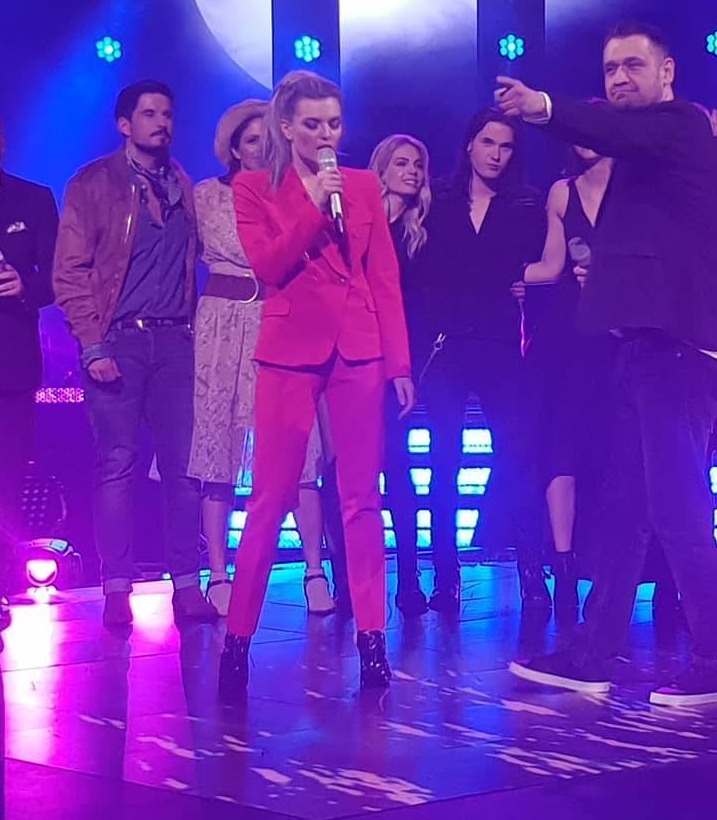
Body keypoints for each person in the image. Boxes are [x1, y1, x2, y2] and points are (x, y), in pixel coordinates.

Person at [499, 21, 717, 706]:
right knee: (626, 510)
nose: (619, 79)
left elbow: (613, 129)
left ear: (668, 72)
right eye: (610, 69)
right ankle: (592, 654)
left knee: (677, 507)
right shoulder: (640, 158)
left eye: (633, 65)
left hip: (682, 346)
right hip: (644, 345)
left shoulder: (682, 126)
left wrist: (543, 107)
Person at [218, 71, 414, 696]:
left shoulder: (362, 186)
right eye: (312, 124)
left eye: (333, 123)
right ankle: (237, 640)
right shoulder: (254, 187)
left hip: (358, 349)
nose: (326, 134)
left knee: (361, 499)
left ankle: (373, 639)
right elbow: (269, 264)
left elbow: (383, 277)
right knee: (270, 497)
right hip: (290, 350)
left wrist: (399, 363)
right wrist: (311, 206)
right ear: (286, 127)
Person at [53, 81, 218, 628]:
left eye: (167, 113)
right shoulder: (94, 182)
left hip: (176, 341)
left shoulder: (184, 185)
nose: (161, 122)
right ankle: (116, 587)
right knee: (117, 464)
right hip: (118, 339)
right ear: (124, 124)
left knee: (184, 469)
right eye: (149, 113)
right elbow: (70, 272)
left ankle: (187, 585)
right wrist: (92, 343)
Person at [187, 99, 334, 617]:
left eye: (267, 139)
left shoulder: (295, 190)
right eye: (251, 140)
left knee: (298, 447)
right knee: (217, 447)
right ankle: (218, 573)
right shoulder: (205, 195)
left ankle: (315, 569)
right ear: (232, 148)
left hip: (279, 316)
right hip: (221, 324)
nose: (260, 148)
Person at [420, 109, 548, 614]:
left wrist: (529, 282)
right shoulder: (438, 198)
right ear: (469, 144)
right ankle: (445, 576)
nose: (497, 154)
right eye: (489, 142)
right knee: (444, 461)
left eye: (506, 146)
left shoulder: (525, 204)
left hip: (501, 343)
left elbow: (543, 265)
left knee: (518, 456)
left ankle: (532, 574)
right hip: (448, 344)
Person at [519, 143, 612, 622]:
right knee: (561, 448)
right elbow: (552, 265)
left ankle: (613, 571)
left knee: (613, 454)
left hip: (618, 331)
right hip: (568, 332)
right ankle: (564, 566)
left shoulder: (634, 188)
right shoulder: (562, 191)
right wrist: (502, 273)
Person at [0, 103, 59, 652]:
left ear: (2, 142)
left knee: (0, 486)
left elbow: (57, 276)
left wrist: (24, 286)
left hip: (7, 368)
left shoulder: (33, 200)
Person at [368, 133, 435, 617]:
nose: (411, 171)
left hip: (398, 362)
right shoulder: (356, 223)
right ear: (382, 170)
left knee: (397, 467)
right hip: (352, 356)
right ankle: (348, 580)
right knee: (347, 472)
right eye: (401, 163)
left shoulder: (422, 234)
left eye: (417, 164)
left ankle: (408, 577)